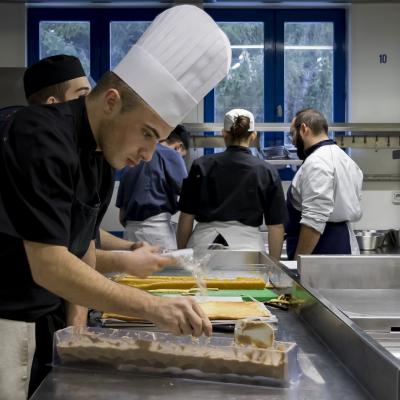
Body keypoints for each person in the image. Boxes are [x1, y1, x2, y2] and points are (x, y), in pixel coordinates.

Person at [0, 5, 231, 399]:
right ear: (110, 101)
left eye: (158, 140)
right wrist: (153, 307)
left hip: (42, 317)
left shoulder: (101, 160)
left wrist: (78, 335)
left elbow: (83, 255)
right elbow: (50, 264)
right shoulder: (39, 134)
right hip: (7, 321)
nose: (148, 153)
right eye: (147, 133)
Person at [22, 54, 168, 277]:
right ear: (52, 105)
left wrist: (129, 248)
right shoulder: (37, 144)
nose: (90, 104)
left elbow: (83, 240)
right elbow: (51, 259)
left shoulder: (96, 156)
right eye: (83, 96)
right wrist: (126, 262)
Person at [177, 108, 287, 259]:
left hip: (204, 247)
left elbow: (186, 217)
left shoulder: (200, 165)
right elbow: (276, 226)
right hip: (248, 250)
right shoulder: (266, 171)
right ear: (253, 135)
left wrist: (182, 258)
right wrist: (273, 265)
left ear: (223, 133)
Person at [286, 108, 363, 260]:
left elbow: (313, 222)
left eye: (292, 134)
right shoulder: (346, 159)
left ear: (304, 129)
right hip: (342, 244)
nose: (293, 141)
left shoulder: (317, 163)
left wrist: (297, 264)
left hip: (322, 250)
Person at [117, 124, 189, 250]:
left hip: (129, 232)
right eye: (183, 156)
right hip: (157, 233)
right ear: (179, 146)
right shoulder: (171, 154)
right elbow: (189, 193)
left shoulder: (133, 157)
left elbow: (121, 216)